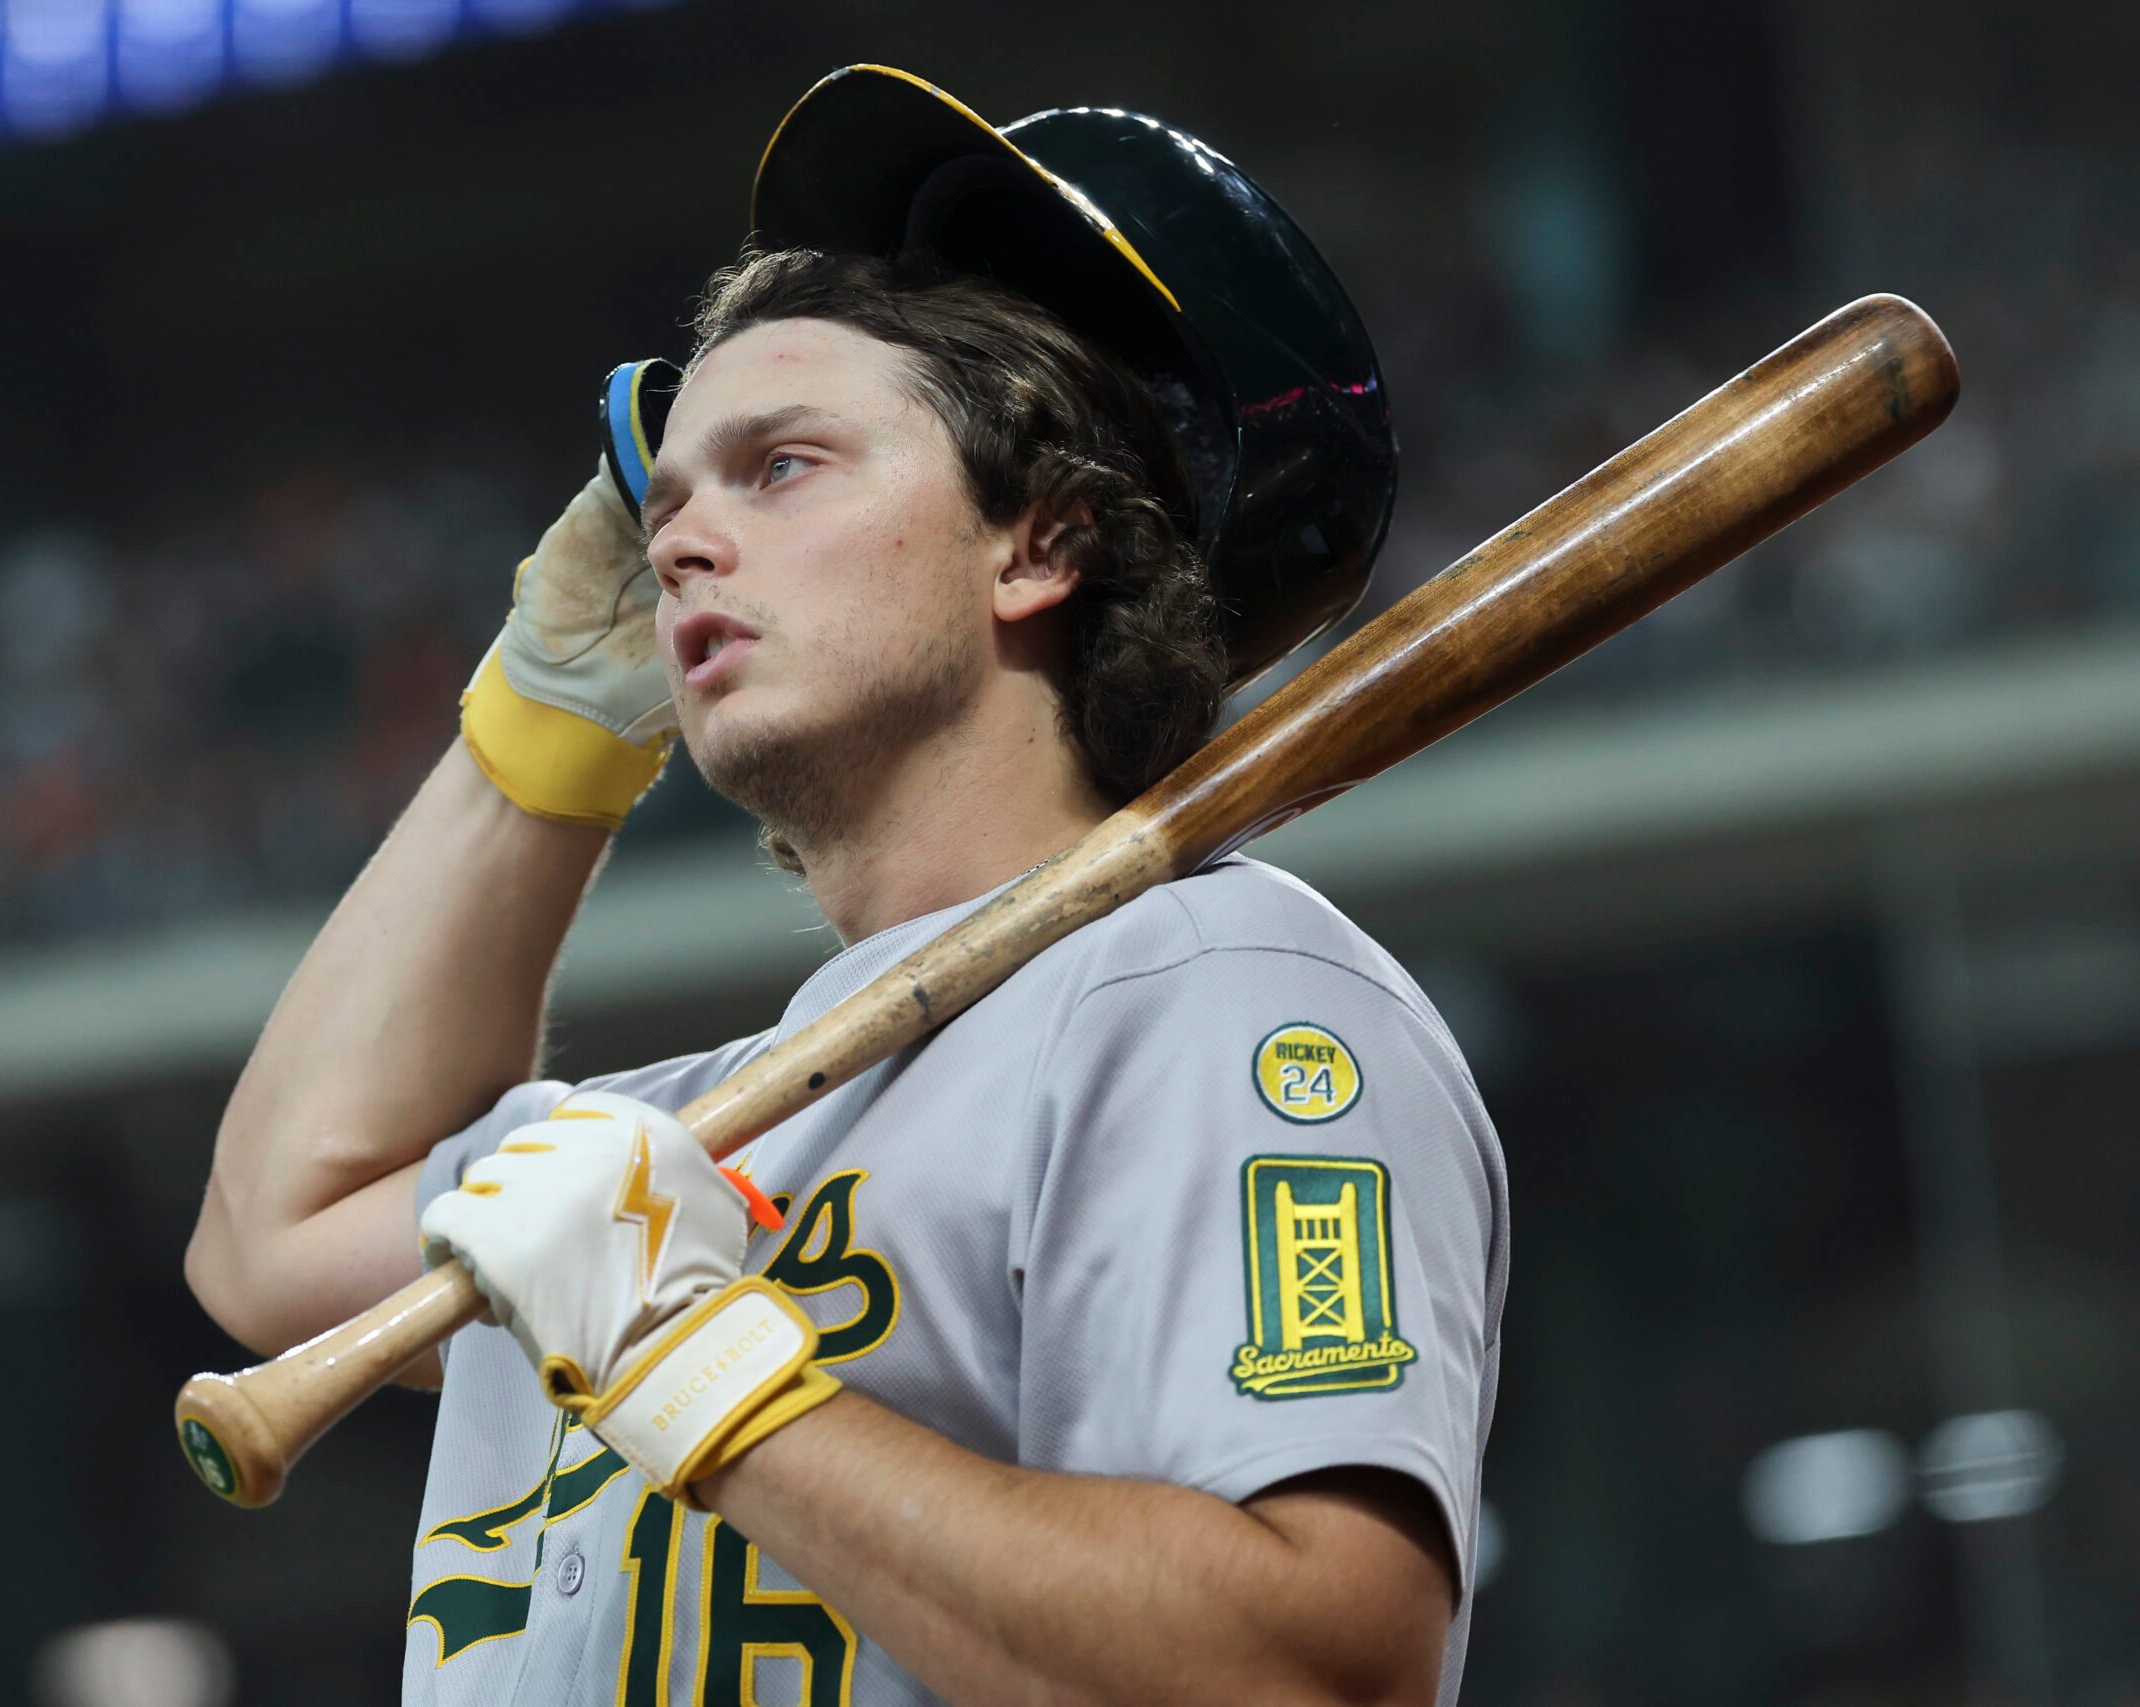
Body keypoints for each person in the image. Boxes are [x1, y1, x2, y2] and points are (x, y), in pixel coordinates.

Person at [186, 67, 1505, 1707]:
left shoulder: (1209, 987)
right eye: (664, 500)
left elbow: (1315, 1677)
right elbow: (274, 1235)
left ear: (1040, 546)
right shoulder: (667, 1148)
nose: (674, 544)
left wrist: (702, 1374)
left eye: (783, 466)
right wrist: (544, 719)